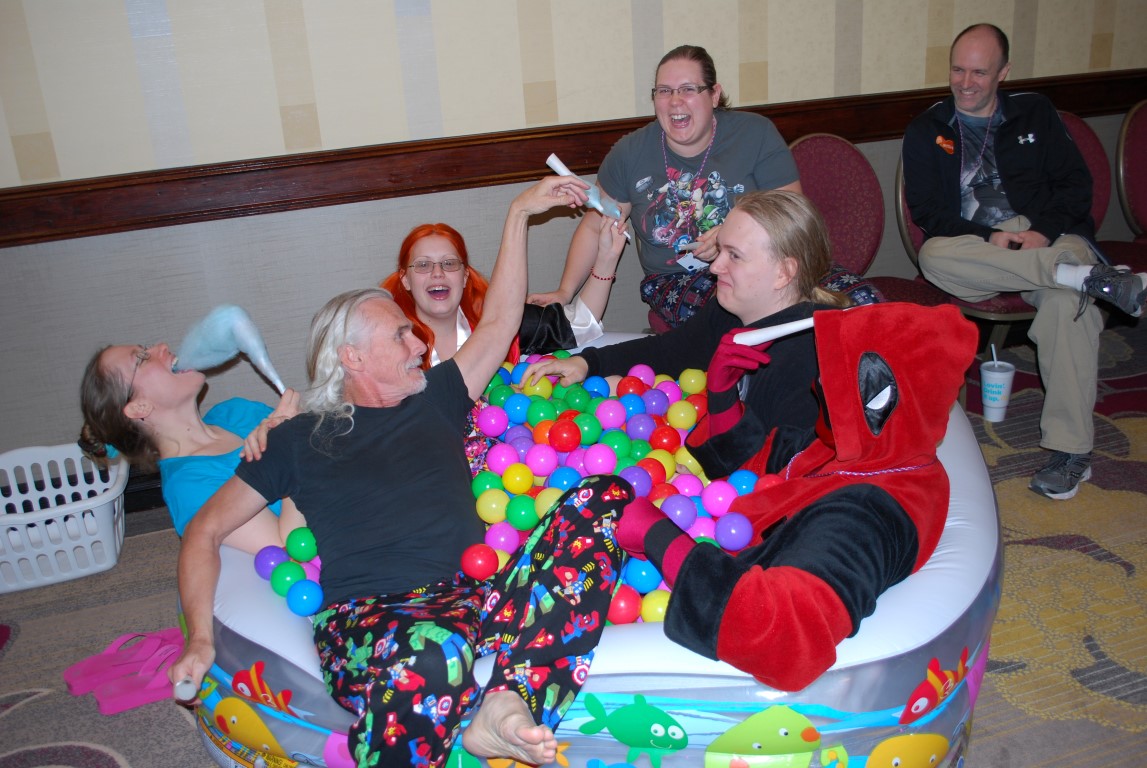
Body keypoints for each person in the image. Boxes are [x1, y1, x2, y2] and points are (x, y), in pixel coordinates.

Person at [170, 177, 636, 768]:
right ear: (353, 358)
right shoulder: (296, 438)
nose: (419, 344)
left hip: (477, 598)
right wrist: (200, 639)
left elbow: (498, 324)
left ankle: (507, 701)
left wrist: (520, 212)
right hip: (375, 621)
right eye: (401, 336)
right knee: (436, 652)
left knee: (605, 497)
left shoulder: (437, 398)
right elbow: (204, 529)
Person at [616, 302, 979, 691]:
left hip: (729, 603)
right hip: (717, 548)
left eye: (833, 376)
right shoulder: (863, 450)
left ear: (879, 398)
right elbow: (759, 462)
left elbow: (782, 639)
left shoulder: (869, 514)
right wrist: (722, 393)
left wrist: (654, 533)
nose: (817, 383)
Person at [902, 23, 1147, 501]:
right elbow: (929, 214)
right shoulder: (927, 130)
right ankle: (1085, 278)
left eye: (979, 72)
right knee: (933, 254)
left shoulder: (1035, 112)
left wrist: (1042, 233)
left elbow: (1076, 187)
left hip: (1050, 236)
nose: (965, 83)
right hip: (980, 251)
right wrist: (991, 236)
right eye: (957, 70)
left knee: (1065, 306)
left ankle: (1070, 452)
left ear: (1004, 72)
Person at [525, 189, 849, 479]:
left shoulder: (809, 358)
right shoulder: (729, 313)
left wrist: (708, 470)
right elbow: (670, 351)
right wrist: (588, 363)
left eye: (734, 256)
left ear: (784, 273)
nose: (715, 267)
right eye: (720, 250)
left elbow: (787, 470)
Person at [528, 44, 802, 330]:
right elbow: (596, 226)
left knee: (826, 297)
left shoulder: (755, 134)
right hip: (675, 282)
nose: (675, 101)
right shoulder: (630, 153)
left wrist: (729, 237)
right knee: (733, 312)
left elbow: (792, 215)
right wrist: (565, 292)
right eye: (664, 91)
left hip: (758, 270)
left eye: (688, 89)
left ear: (714, 94)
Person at [78, 342, 304, 554]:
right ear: (139, 407)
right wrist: (288, 446)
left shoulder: (233, 411)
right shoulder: (189, 485)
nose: (162, 346)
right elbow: (291, 550)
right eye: (142, 358)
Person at [380, 216, 627, 368]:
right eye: (423, 265)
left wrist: (607, 258)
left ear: (465, 277)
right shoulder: (386, 343)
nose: (437, 273)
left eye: (449, 263)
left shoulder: (498, 319)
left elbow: (581, 323)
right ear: (405, 280)